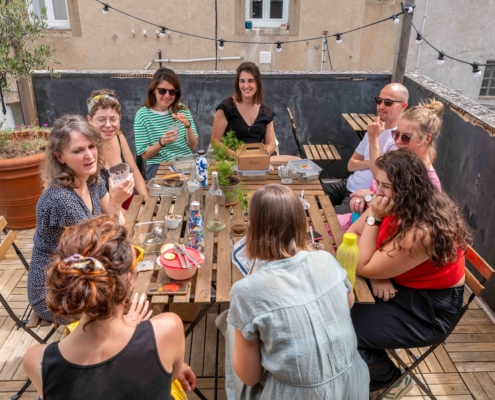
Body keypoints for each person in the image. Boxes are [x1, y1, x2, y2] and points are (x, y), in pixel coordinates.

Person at [23, 215, 196, 400]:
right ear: (129, 279)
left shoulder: (37, 361)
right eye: (136, 256)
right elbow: (162, 380)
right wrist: (133, 330)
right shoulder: (167, 330)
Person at [223, 184, 369, 399]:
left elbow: (250, 377)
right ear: (301, 223)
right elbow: (349, 302)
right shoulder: (326, 259)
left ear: (253, 227)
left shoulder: (246, 290)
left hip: (296, 395)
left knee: (231, 325)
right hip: (352, 385)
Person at [348, 149, 471, 399]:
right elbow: (352, 234)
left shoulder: (422, 231)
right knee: (336, 307)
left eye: (386, 186)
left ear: (407, 189)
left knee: (342, 328)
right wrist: (376, 272)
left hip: (427, 310)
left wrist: (374, 220)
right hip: (404, 287)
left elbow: (361, 263)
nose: (378, 192)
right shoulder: (401, 205)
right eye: (378, 183)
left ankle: (391, 381)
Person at [28, 115, 134, 322]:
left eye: (91, 146)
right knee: (127, 299)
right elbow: (99, 249)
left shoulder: (91, 179)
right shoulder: (61, 199)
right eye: (78, 151)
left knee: (136, 274)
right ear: (60, 157)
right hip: (56, 291)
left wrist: (115, 202)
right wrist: (115, 202)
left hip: (83, 272)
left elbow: (119, 225)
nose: (89, 155)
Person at [338, 99, 444, 231]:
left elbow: (395, 217)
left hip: (373, 231)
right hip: (360, 219)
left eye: (406, 137)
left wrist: (366, 195)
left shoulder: (426, 181)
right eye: (396, 134)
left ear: (426, 139)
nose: (398, 142)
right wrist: (364, 197)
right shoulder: (401, 163)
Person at [324, 83, 409, 214]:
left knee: (329, 224)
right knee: (301, 198)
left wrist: (373, 138)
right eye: (379, 100)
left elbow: (379, 176)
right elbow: (351, 165)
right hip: (348, 184)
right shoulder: (374, 128)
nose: (381, 106)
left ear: (403, 105)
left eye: (388, 102)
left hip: (364, 194)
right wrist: (372, 163)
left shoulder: (399, 139)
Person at [87, 89, 148, 209]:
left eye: (113, 119)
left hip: (129, 204)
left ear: (119, 118)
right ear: (90, 120)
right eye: (101, 120)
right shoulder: (87, 148)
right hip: (108, 211)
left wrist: (147, 202)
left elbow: (134, 171)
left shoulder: (119, 137)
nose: (108, 125)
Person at [134, 67, 199, 179]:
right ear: (154, 90)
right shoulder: (143, 115)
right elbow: (145, 155)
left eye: (172, 92)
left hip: (185, 162)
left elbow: (193, 145)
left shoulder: (182, 110)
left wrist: (188, 127)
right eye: (162, 91)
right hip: (158, 164)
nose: (167, 96)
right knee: (172, 191)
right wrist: (162, 142)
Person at [211, 62, 276, 159]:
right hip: (231, 162)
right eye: (242, 81)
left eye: (250, 81)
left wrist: (260, 155)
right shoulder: (226, 107)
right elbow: (215, 141)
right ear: (238, 83)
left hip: (258, 161)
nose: (246, 85)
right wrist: (238, 157)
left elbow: (271, 144)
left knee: (295, 160)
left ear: (258, 83)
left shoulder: (266, 111)